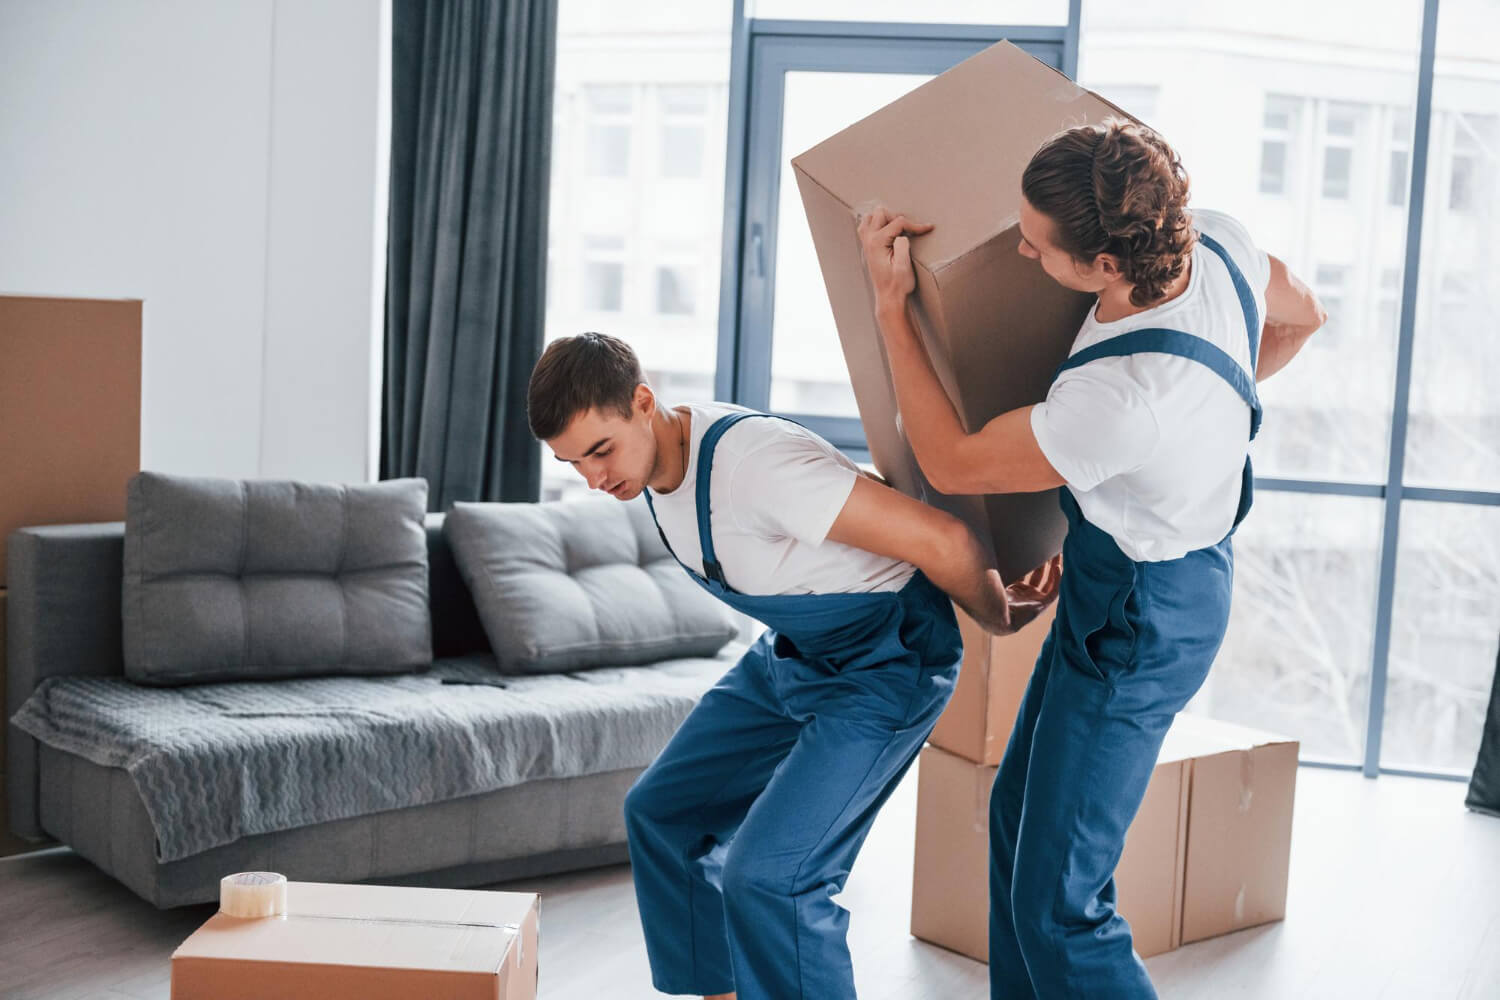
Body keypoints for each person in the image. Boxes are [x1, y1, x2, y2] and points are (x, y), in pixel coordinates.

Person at [857, 119, 1326, 999]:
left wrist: (891, 308)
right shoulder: (1217, 238)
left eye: (1036, 247)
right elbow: (1305, 313)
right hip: (1142, 575)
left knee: (1060, 906)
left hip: (1144, 619)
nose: (1024, 256)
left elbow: (953, 460)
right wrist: (1184, 446)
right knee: (1013, 819)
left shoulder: (1119, 400)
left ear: (1108, 263)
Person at [526, 332, 1060, 1000]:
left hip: (888, 663)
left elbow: (942, 538)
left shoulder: (753, 463)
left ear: (642, 402)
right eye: (573, 464)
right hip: (797, 654)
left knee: (772, 876)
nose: (594, 480)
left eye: (599, 451)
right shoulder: (653, 471)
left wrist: (1001, 614)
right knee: (662, 813)